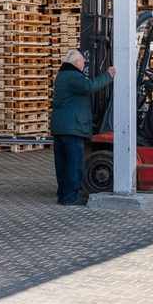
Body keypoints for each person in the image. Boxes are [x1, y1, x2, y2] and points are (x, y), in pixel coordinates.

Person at [50, 49, 116, 205]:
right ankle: (71, 197)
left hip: (61, 127)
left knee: (62, 164)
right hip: (72, 128)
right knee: (74, 164)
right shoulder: (73, 76)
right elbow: (89, 86)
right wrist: (108, 75)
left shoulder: (62, 75)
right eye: (82, 61)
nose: (85, 64)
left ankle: (63, 195)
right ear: (76, 62)